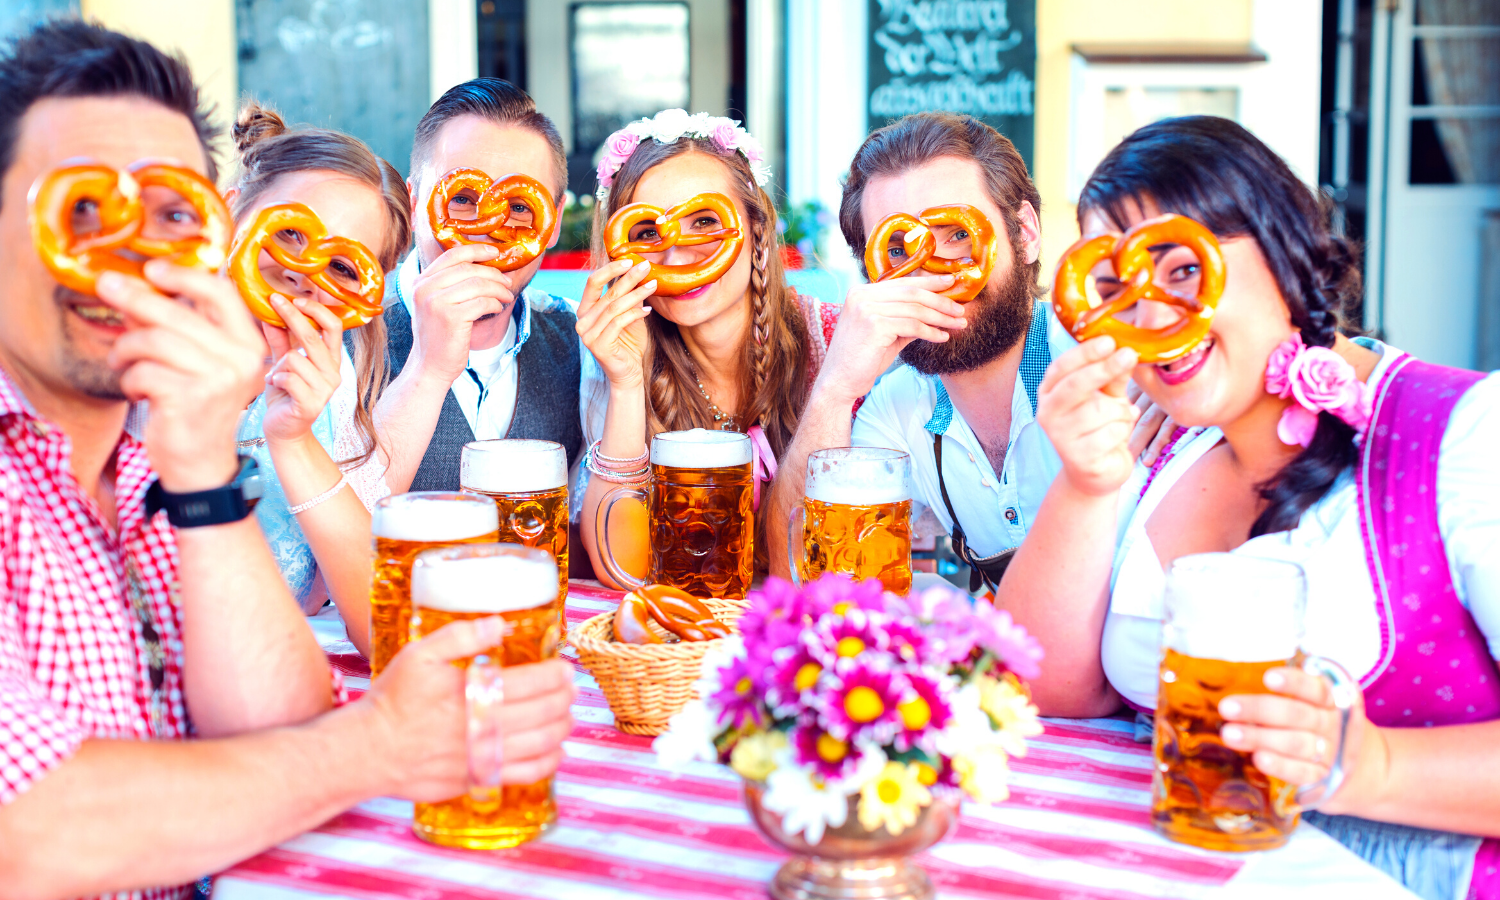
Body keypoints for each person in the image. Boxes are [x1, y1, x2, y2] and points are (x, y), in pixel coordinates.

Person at [0, 23, 574, 898]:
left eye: (166, 215)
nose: (126, 257)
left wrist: (200, 468)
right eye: (82, 211)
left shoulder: (150, 449)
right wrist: (379, 744)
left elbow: (278, 718)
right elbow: (26, 834)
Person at [1002, 116, 1499, 900]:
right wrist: (1088, 483)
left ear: (1282, 248)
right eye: (1113, 286)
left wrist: (1372, 768)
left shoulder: (1465, 434)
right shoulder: (1159, 434)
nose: (1149, 317)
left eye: (1182, 272)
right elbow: (1047, 687)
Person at [767, 112, 1144, 591]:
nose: (934, 277)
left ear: (1025, 234)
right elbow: (795, 578)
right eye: (900, 251)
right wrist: (836, 390)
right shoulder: (896, 411)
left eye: (960, 236)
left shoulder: (1117, 375)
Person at [575, 109, 841, 584]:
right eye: (646, 234)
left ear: (756, 227)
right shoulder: (615, 353)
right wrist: (625, 380)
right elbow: (625, 569)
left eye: (703, 221)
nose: (675, 255)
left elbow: (824, 568)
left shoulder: (832, 342)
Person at [227, 104, 409, 654]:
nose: (302, 274)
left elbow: (383, 632)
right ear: (233, 212)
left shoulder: (331, 381)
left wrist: (294, 437)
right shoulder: (128, 360)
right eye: (289, 233)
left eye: (341, 266)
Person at [372, 78, 582, 495]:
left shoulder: (583, 342)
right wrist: (425, 370)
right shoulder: (338, 339)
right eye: (463, 199)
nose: (487, 233)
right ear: (415, 204)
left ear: (554, 221)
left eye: (520, 207)